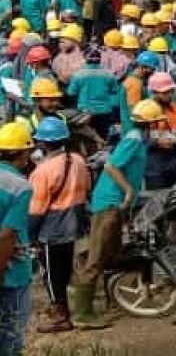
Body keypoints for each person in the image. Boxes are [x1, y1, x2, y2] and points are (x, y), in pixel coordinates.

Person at [74, 98, 161, 326]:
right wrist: (129, 190)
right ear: (152, 123)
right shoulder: (133, 141)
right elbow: (111, 166)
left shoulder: (137, 139)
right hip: (109, 203)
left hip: (115, 203)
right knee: (98, 256)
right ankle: (82, 314)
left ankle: (111, 294)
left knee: (112, 252)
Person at [28, 117, 90, 333]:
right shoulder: (78, 160)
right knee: (63, 268)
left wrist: (30, 233)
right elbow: (86, 188)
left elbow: (36, 208)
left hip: (51, 226)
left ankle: (60, 316)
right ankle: (60, 305)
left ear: (43, 144)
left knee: (50, 273)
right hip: (73, 221)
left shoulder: (42, 172)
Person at [0, 121, 35, 353]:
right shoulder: (20, 187)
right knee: (11, 333)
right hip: (10, 273)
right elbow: (7, 235)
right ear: (23, 154)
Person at [144, 72, 176, 196]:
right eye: (165, 93)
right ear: (154, 92)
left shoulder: (175, 109)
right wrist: (158, 141)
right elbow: (139, 139)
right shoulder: (145, 111)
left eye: (170, 91)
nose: (169, 95)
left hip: (172, 164)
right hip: (154, 166)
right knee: (156, 203)